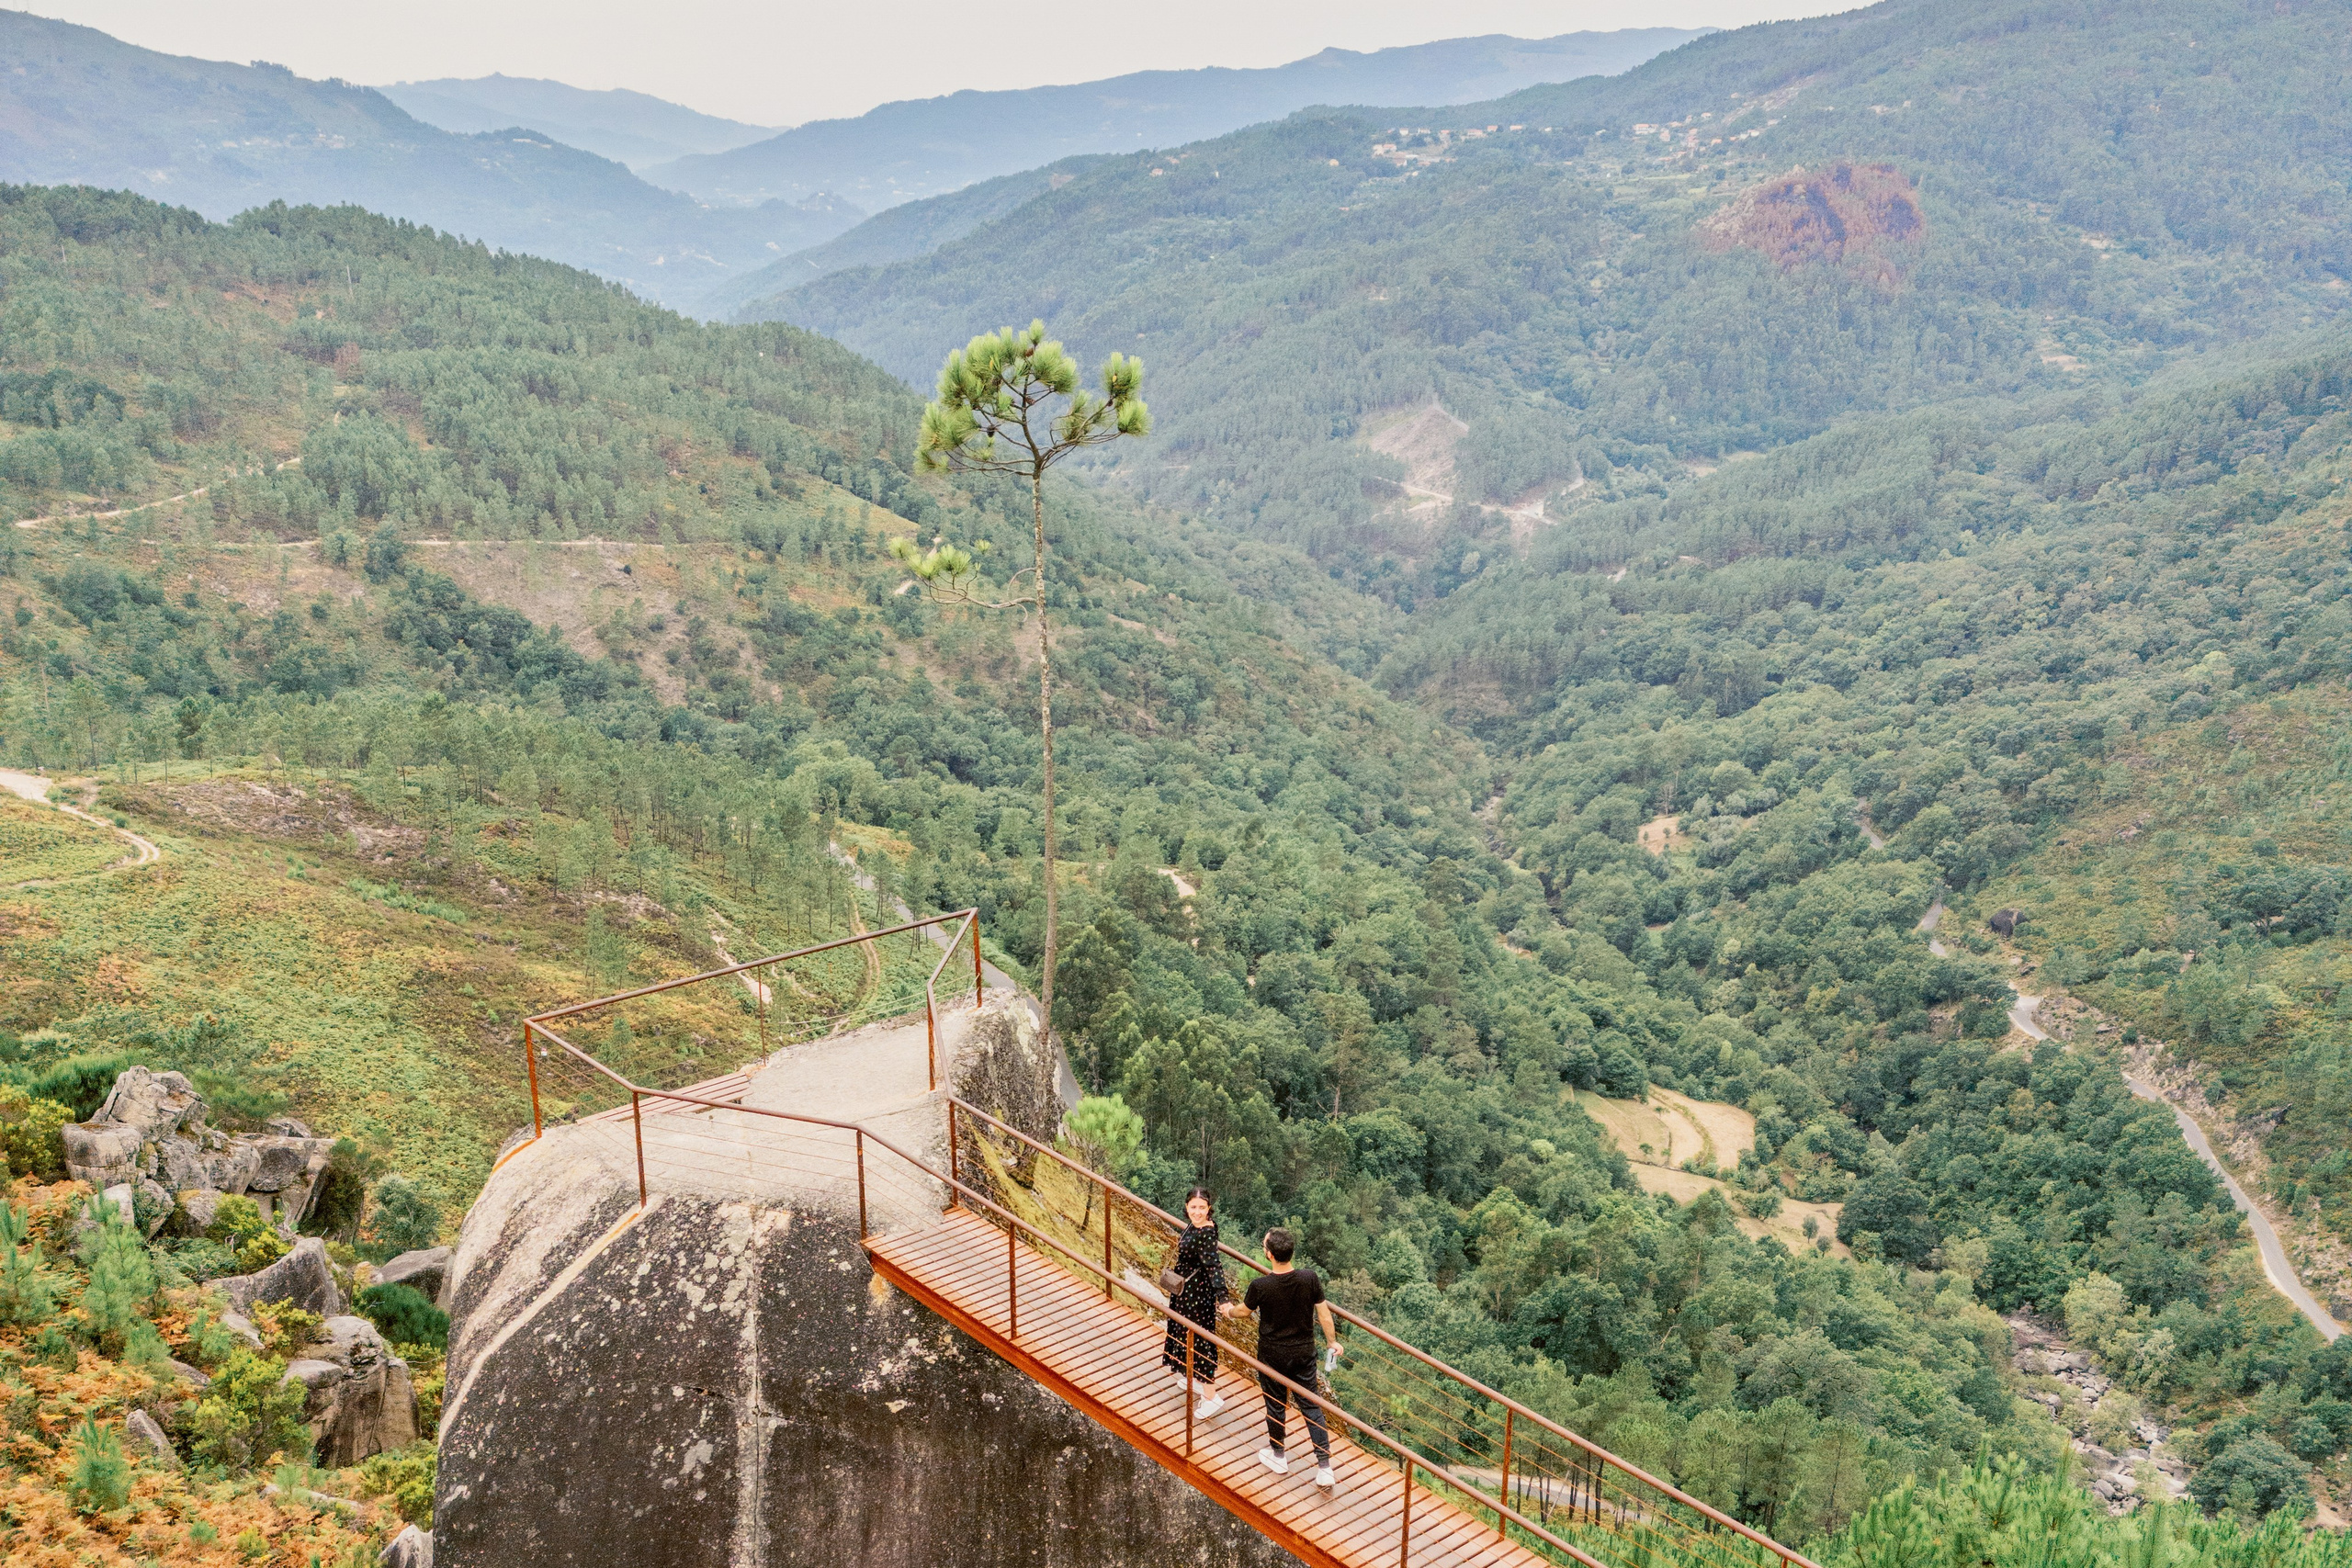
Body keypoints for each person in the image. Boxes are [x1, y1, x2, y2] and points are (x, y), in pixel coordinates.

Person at [1223, 1225, 1340, 1488]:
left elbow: (1243, 1312)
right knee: (1311, 1406)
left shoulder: (1260, 1286)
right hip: (1303, 1353)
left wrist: (1228, 1311)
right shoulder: (1310, 1278)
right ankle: (1324, 1467)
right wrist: (1333, 1342)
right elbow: (1323, 1315)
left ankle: (1278, 1455)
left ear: (1270, 1255)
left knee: (1276, 1405)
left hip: (1272, 1355)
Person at [1160, 1187, 1227, 1419]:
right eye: (1193, 1207)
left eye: (1202, 1207)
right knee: (1184, 1333)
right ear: (1187, 1207)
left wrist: (1223, 1297)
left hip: (1197, 1296)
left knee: (1199, 1339)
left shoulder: (1206, 1232)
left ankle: (1211, 1396)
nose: (1197, 1212)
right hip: (1185, 1291)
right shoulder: (1193, 1225)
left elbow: (1214, 1266)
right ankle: (1195, 1377)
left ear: (1209, 1208)